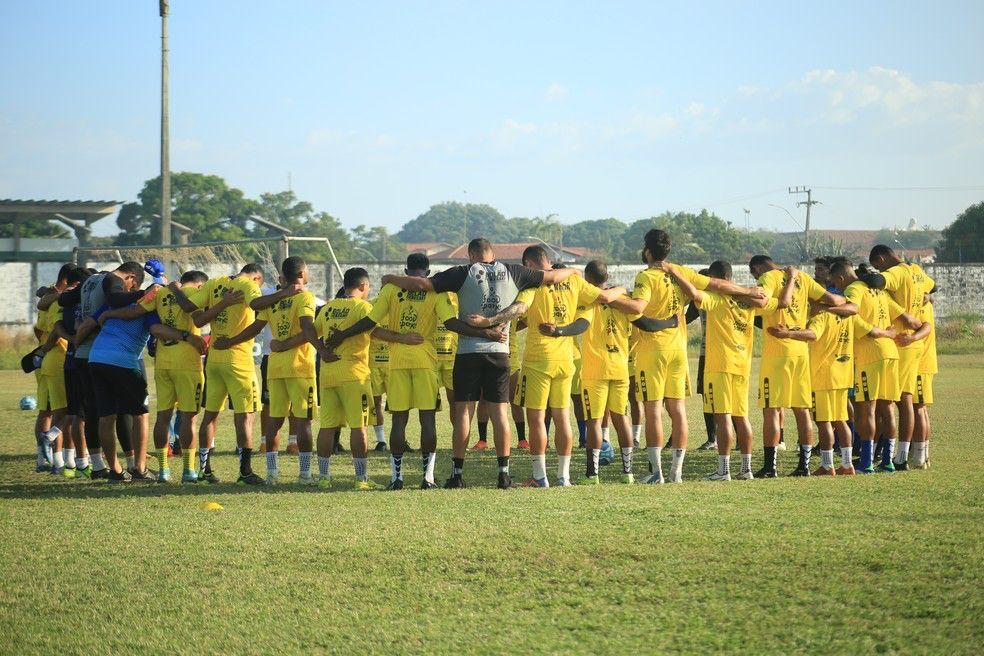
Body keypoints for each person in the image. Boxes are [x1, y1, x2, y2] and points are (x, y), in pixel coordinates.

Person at [380, 238, 576, 489]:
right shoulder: (514, 271)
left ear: (471, 256)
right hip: (499, 352)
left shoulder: (463, 273)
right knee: (500, 414)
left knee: (463, 414)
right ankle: (503, 474)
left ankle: (457, 474)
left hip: (468, 351)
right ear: (492, 253)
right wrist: (572, 270)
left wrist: (391, 278)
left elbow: (422, 284)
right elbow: (551, 278)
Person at [618, 229, 765, 484]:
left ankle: (657, 473)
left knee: (653, 410)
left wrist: (612, 299)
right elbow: (717, 284)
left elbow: (638, 307)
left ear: (648, 251)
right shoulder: (682, 272)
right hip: (678, 350)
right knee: (678, 410)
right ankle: (676, 472)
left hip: (652, 350)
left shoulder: (646, 276)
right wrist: (747, 291)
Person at [505, 247, 636, 487]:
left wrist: (494, 321)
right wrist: (623, 289)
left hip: (538, 360)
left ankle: (540, 477)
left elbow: (520, 310)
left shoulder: (533, 285)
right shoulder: (574, 282)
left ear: (529, 264)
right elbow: (605, 298)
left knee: (536, 419)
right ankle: (563, 477)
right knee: (562, 417)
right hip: (566, 361)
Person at [323, 253, 451, 490]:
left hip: (397, 361)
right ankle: (428, 478)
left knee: (399, 421)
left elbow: (369, 321)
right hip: (425, 361)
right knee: (427, 419)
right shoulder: (436, 291)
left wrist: (341, 334)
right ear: (429, 273)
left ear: (405, 271)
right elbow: (450, 322)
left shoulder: (391, 290)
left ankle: (396, 478)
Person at [665, 260, 783, 481]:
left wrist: (675, 272)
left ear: (716, 278)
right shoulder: (749, 300)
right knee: (741, 416)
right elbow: (777, 303)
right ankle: (746, 469)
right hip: (742, 364)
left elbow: (693, 293)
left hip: (719, 365)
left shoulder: (719, 298)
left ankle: (724, 470)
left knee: (723, 417)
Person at [748, 254, 849, 477]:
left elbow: (761, 299)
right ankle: (804, 465)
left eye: (754, 274)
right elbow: (832, 300)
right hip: (801, 351)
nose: (756, 278)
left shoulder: (769, 278)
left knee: (772, 409)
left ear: (758, 268)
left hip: (778, 351)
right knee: (802, 410)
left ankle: (770, 467)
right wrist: (847, 302)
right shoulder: (802, 277)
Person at [223, 257, 320, 485]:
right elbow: (307, 327)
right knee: (304, 421)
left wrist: (231, 341)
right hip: (300, 367)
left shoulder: (272, 302)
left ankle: (271, 473)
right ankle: (305, 474)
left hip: (275, 366)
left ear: (283, 276)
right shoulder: (305, 296)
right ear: (303, 273)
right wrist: (322, 348)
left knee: (274, 420)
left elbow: (254, 328)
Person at [171, 263, 267, 485]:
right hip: (239, 360)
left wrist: (176, 289)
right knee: (245, 416)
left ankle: (205, 470)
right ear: (257, 278)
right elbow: (257, 305)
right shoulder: (248, 284)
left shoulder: (215, 283)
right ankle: (245, 471)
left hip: (214, 360)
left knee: (211, 415)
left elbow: (196, 317)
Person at [829, 261, 923, 473]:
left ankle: (866, 463)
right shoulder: (879, 292)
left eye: (835, 283)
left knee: (866, 410)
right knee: (887, 408)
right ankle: (888, 461)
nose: (837, 287)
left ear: (841, 279)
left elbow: (853, 318)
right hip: (891, 355)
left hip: (871, 355)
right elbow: (906, 317)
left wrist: (881, 332)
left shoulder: (854, 289)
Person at [575, 260, 658, 484]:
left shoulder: (588, 300)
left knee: (593, 421)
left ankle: (592, 474)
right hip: (620, 368)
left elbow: (580, 325)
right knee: (621, 419)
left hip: (595, 371)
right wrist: (670, 322)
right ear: (607, 277)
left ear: (587, 278)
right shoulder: (624, 302)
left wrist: (559, 331)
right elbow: (646, 324)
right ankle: (627, 473)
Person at [310, 268, 381, 489]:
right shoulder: (364, 307)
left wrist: (321, 351)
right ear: (363, 286)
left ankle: (323, 477)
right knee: (358, 427)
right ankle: (361, 479)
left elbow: (311, 332)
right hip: (354, 375)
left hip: (329, 373)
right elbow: (378, 332)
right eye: (368, 287)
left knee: (327, 427)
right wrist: (404, 338)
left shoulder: (329, 307)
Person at [869, 245, 935, 470]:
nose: (878, 270)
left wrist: (868, 277)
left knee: (904, 400)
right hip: (912, 343)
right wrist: (925, 295)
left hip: (903, 342)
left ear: (881, 258)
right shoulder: (916, 270)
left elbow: (878, 283)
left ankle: (901, 457)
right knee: (910, 402)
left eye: (877, 265)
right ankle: (911, 455)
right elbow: (934, 285)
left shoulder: (897, 272)